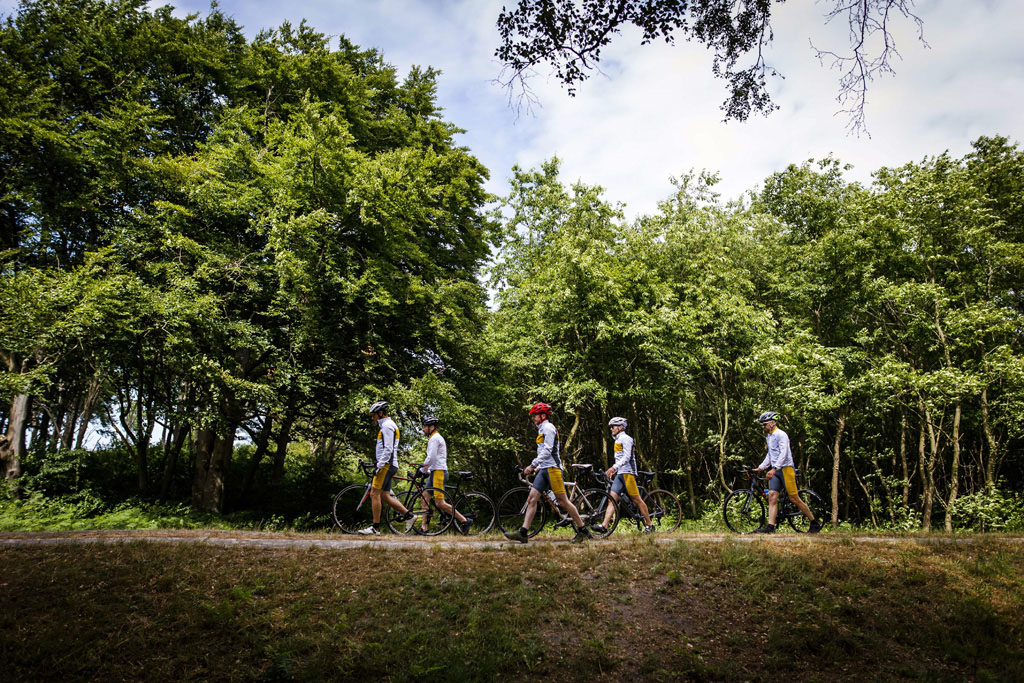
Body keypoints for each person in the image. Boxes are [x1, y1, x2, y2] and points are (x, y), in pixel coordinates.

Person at [507, 402, 591, 544]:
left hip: (553, 469)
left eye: (535, 416)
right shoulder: (541, 430)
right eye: (532, 416)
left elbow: (548, 450)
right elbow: (543, 452)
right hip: (544, 469)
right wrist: (538, 468)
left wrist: (532, 465)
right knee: (532, 499)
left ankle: (582, 530)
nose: (533, 418)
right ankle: (523, 532)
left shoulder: (549, 428)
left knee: (562, 502)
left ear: (543, 416)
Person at [754, 411, 823, 534]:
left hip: (786, 469)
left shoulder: (781, 435)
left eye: (764, 424)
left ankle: (814, 522)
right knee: (772, 497)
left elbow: (784, 453)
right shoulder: (769, 437)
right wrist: (760, 467)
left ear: (772, 423)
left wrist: (774, 468)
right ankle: (770, 526)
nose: (762, 427)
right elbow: (770, 455)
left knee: (794, 498)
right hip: (776, 470)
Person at [357, 401, 414, 535]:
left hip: (386, 465)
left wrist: (379, 465)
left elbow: (388, 449)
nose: (373, 418)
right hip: (389, 464)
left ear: (381, 413)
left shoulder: (387, 426)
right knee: (385, 496)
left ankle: (375, 528)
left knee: (374, 493)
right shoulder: (388, 425)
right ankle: (409, 516)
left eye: (374, 415)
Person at [594, 417, 654, 534]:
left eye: (613, 426)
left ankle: (649, 525)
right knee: (612, 500)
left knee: (637, 500)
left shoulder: (626, 439)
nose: (611, 429)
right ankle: (604, 526)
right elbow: (619, 458)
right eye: (610, 427)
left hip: (628, 473)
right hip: (620, 474)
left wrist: (613, 467)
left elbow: (626, 457)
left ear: (620, 427)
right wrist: (615, 470)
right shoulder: (617, 440)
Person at [415, 415, 471, 534]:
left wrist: (423, 470)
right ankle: (423, 528)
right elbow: (434, 460)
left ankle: (465, 521)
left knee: (440, 503)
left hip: (439, 473)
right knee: (424, 498)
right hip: (435, 472)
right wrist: (428, 471)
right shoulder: (433, 438)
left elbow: (431, 458)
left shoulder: (435, 438)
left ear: (432, 427)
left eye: (425, 427)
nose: (423, 429)